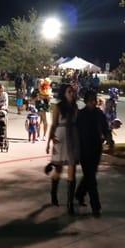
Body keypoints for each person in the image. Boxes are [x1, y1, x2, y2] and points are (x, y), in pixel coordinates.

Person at [75, 90, 114, 218]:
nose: (94, 102)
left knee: (90, 176)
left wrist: (110, 141)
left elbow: (105, 129)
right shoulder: (80, 115)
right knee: (91, 179)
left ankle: (80, 194)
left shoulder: (99, 114)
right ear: (86, 101)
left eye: (95, 100)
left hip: (96, 149)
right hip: (84, 150)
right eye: (91, 100)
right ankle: (96, 206)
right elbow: (75, 133)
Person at [46, 84, 79, 216]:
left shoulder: (75, 107)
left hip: (72, 138)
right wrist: (49, 142)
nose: (72, 93)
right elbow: (53, 124)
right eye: (69, 91)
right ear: (64, 94)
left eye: (73, 92)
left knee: (72, 171)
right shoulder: (58, 107)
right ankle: (53, 193)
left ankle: (70, 204)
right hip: (60, 137)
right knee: (58, 170)